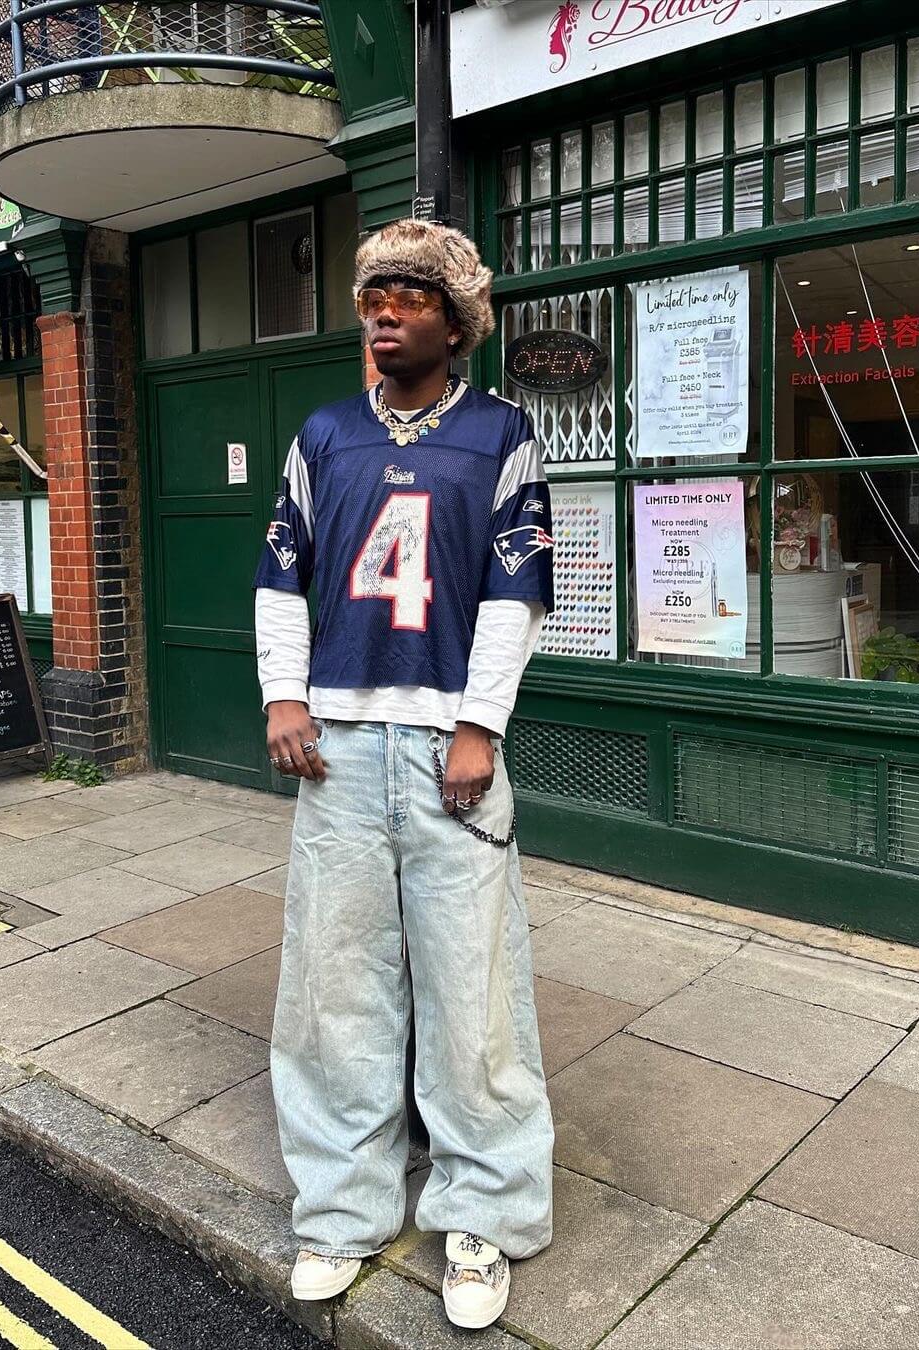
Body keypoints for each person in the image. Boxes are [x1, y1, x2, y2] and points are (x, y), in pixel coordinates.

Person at [254, 219, 555, 1331]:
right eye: (373, 294)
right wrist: (284, 698)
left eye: (412, 297)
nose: (385, 312)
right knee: (334, 988)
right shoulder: (325, 434)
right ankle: (342, 1207)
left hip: (445, 754)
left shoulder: (501, 433)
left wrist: (479, 725)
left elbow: (515, 593)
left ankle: (485, 1212)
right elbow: (280, 577)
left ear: (458, 323)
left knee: (473, 990)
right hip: (337, 746)